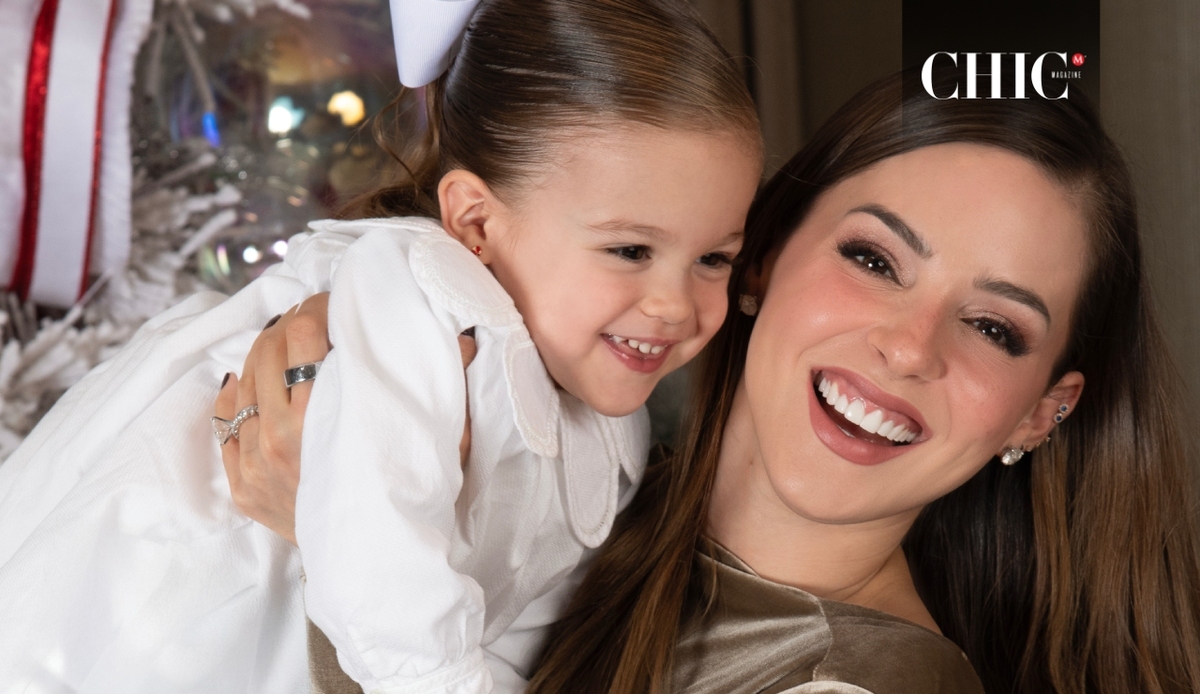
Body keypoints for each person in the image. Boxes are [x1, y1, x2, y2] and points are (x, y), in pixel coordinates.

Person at [231, 70, 1200, 694]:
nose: (910, 346)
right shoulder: (575, 484)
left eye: (993, 325)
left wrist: (342, 533)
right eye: (874, 259)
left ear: (1042, 412)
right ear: (763, 256)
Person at [0, 1, 762, 692]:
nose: (674, 305)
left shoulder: (610, 425)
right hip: (162, 618)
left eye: (714, 259)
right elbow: (377, 546)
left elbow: (510, 618)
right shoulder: (426, 304)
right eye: (630, 251)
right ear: (475, 224)